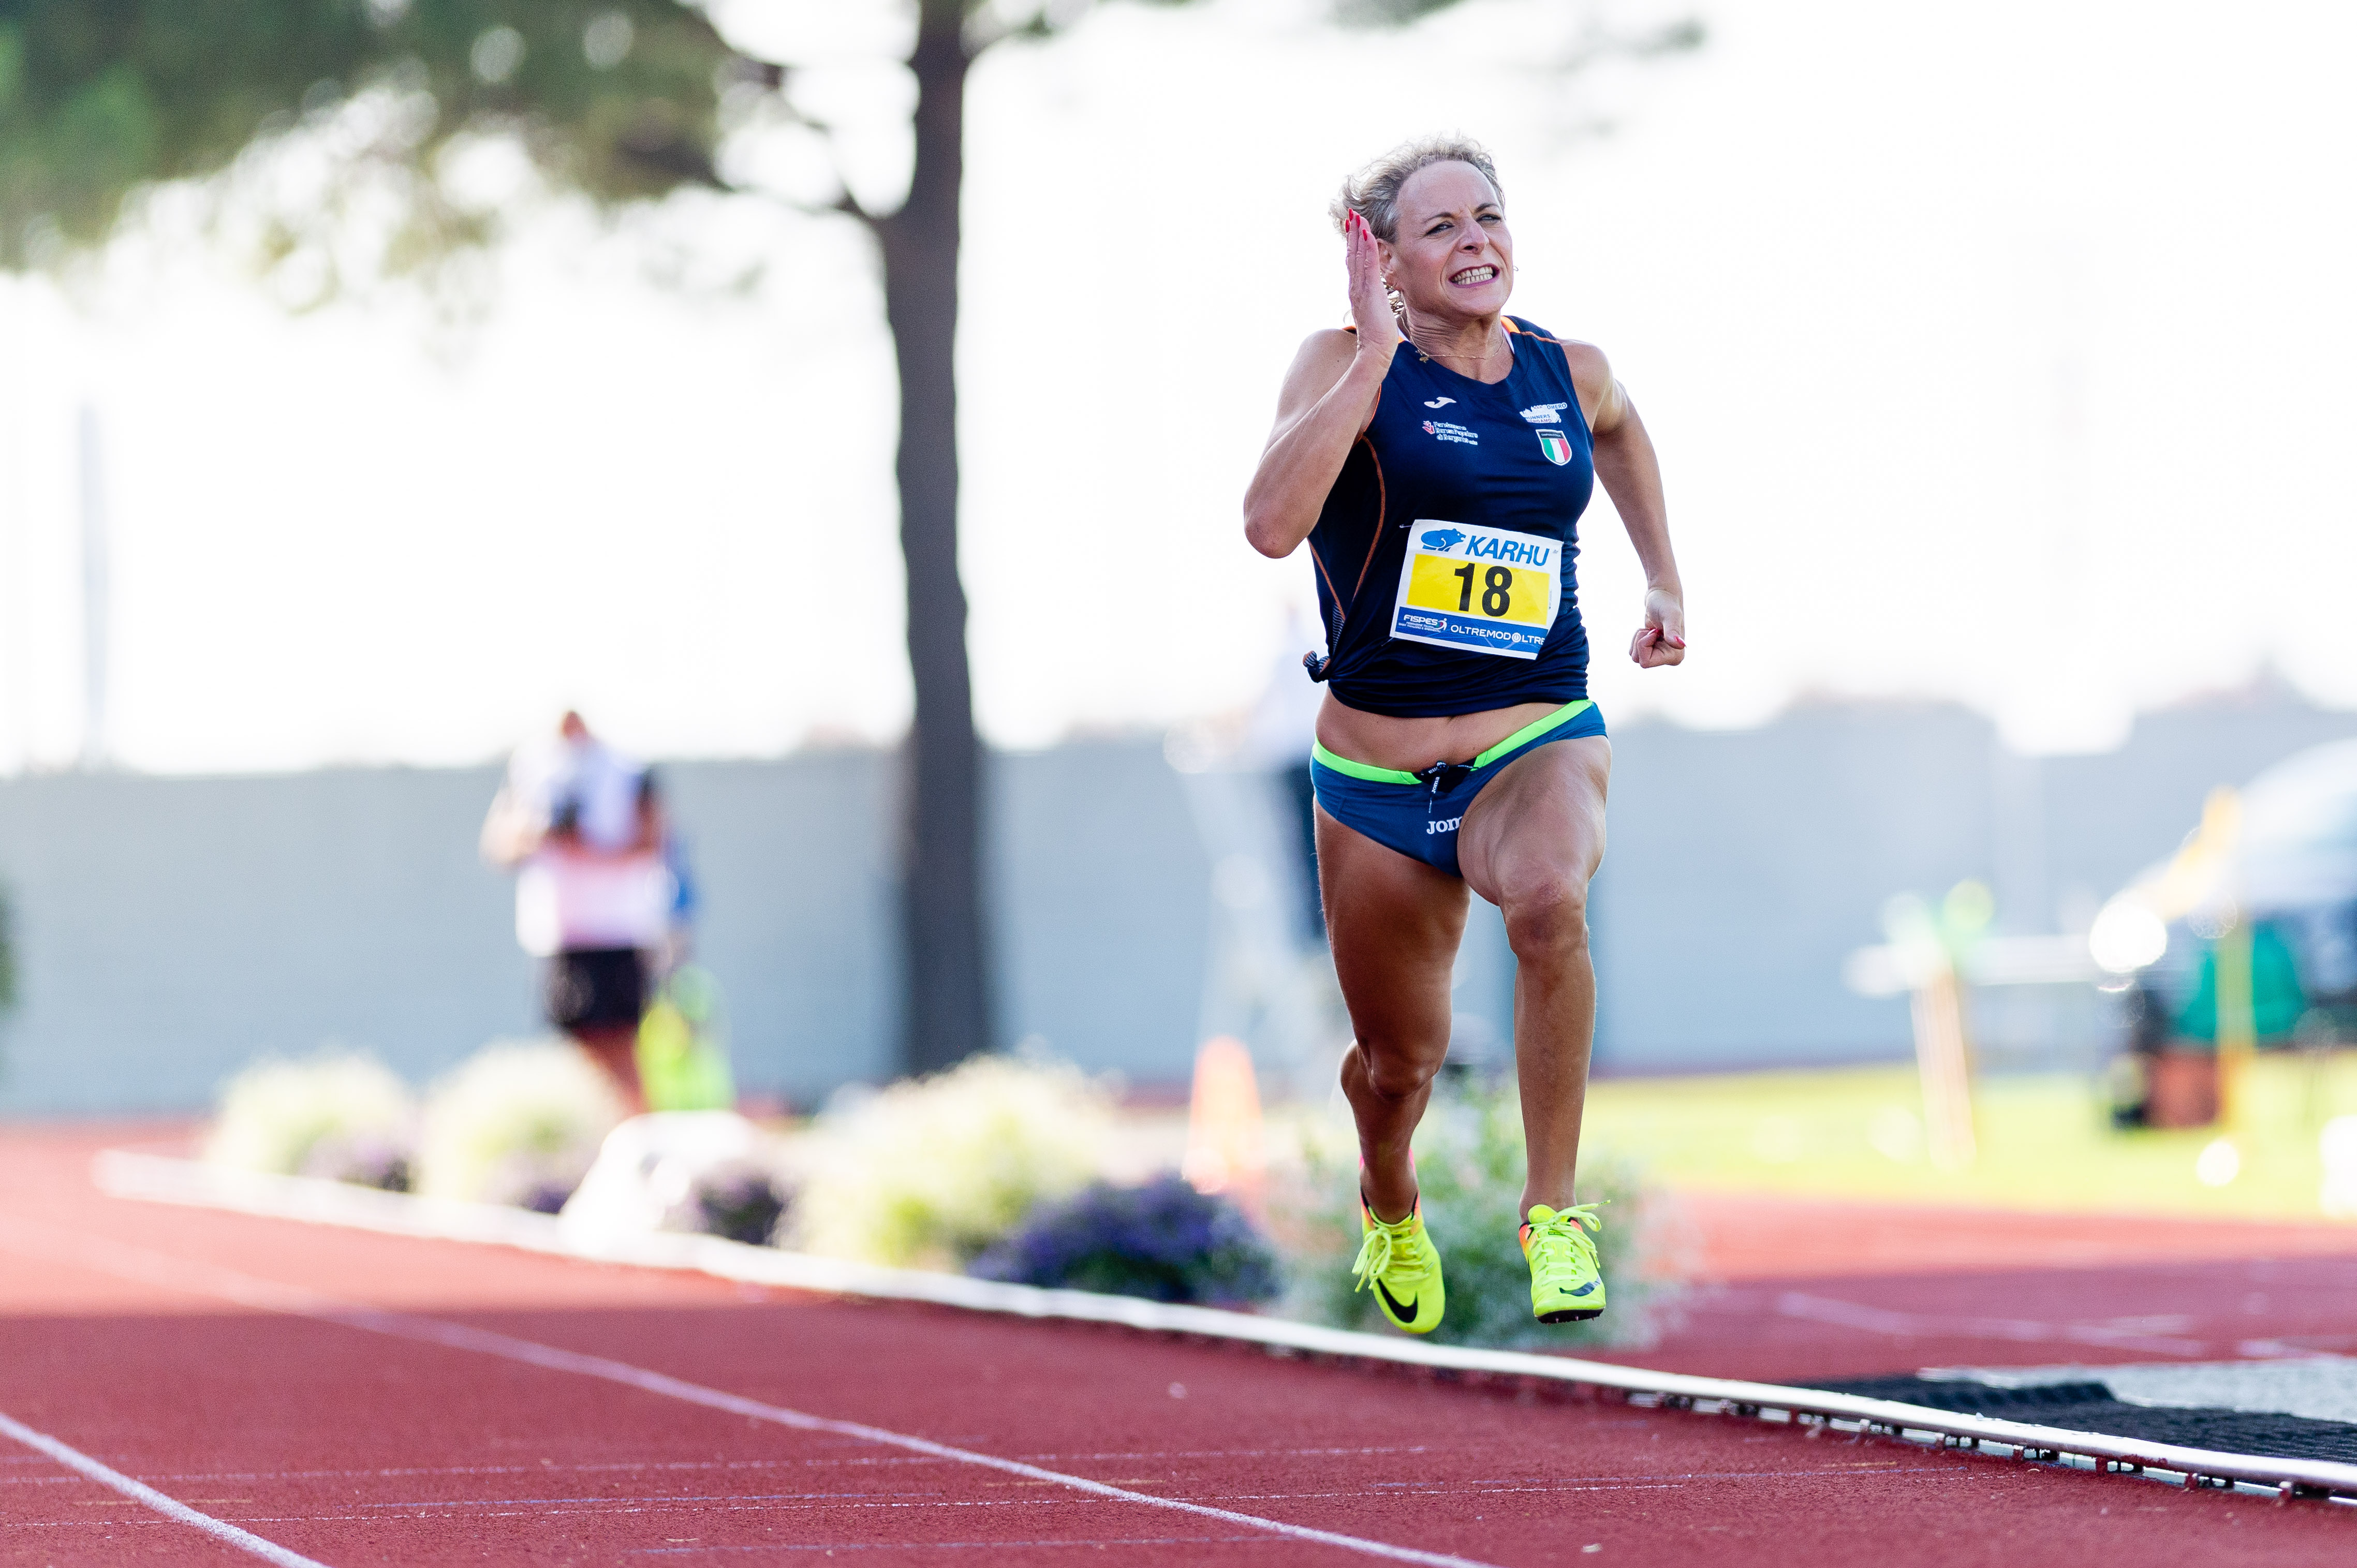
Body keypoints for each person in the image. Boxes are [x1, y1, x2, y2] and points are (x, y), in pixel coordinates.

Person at [1241, 137, 1685, 1334]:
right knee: (1399, 1064)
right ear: (1375, 255)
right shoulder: (1337, 365)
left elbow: (1624, 431)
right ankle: (1388, 1195)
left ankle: (1555, 1211)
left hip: (1531, 733)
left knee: (1547, 900)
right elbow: (1270, 525)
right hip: (1376, 774)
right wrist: (1373, 360)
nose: (1475, 241)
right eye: (1439, 227)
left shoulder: (1564, 368)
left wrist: (1662, 580)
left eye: (1486, 216)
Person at [481, 711, 672, 1112]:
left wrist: (588, 851)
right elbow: (499, 844)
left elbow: (655, 842)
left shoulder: (628, 765)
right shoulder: (531, 765)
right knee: (576, 1059)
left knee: (622, 1054)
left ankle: (640, 1145)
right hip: (560, 935)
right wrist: (537, 836)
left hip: (617, 932)